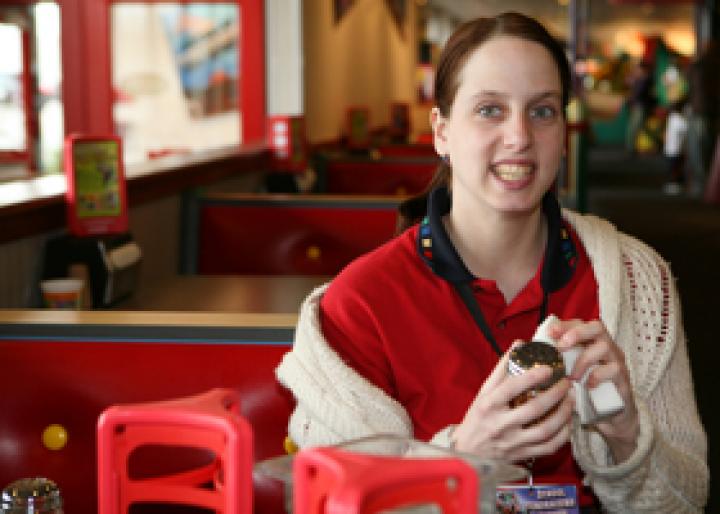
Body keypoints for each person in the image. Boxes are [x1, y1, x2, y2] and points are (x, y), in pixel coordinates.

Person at [276, 12, 708, 513]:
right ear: (441, 132)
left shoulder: (637, 281)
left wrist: (629, 438)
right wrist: (462, 459)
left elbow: (686, 500)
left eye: (542, 111)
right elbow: (334, 505)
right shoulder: (358, 306)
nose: (519, 137)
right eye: (489, 110)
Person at [662, 97, 689, 195]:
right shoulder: (679, 119)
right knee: (676, 169)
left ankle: (674, 183)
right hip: (676, 151)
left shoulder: (672, 117)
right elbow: (686, 129)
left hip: (670, 150)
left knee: (672, 169)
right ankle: (674, 184)